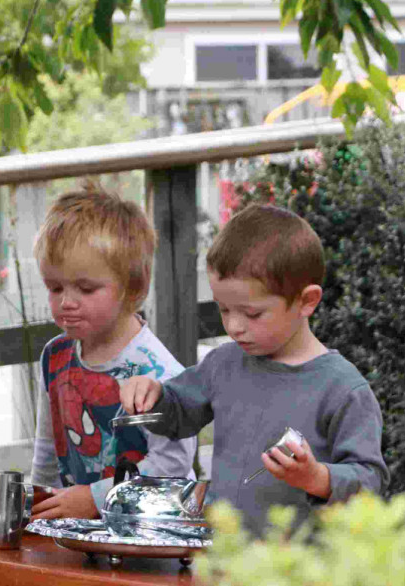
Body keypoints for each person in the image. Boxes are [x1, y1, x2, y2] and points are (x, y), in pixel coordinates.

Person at [120, 203, 389, 536]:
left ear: (307, 301)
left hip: (299, 576)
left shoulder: (344, 390)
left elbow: (371, 481)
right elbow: (176, 415)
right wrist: (153, 395)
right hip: (223, 558)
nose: (234, 326)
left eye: (252, 314)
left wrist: (318, 478)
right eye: (224, 309)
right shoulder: (224, 364)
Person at [30, 181, 197, 520]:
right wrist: (36, 505)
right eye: (55, 287)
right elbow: (48, 449)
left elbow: (172, 469)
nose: (66, 302)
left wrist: (95, 498)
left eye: (86, 288)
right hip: (80, 532)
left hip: (151, 537)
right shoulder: (56, 356)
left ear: (131, 287)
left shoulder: (159, 375)